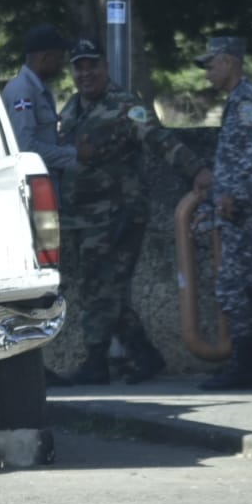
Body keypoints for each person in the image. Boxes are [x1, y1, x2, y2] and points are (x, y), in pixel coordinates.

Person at [57, 37, 214, 385]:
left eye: (92, 66)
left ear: (104, 68)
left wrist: (197, 170)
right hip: (80, 217)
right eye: (79, 67)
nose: (86, 74)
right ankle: (145, 355)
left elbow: (160, 141)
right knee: (98, 288)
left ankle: (95, 363)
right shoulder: (70, 109)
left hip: (118, 214)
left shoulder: (126, 105)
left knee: (102, 289)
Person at [192, 36, 252, 391]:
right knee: (238, 286)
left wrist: (235, 195)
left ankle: (245, 367)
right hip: (235, 209)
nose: (209, 73)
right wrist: (210, 203)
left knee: (236, 287)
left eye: (212, 64)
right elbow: (233, 160)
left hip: (245, 211)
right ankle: (243, 364)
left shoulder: (247, 100)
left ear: (230, 62)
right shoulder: (238, 100)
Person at [1, 24, 76, 197]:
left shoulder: (38, 89)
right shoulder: (22, 91)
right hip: (30, 190)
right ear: (44, 57)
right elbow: (26, 147)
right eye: (59, 58)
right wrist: (73, 155)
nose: (62, 64)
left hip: (45, 184)